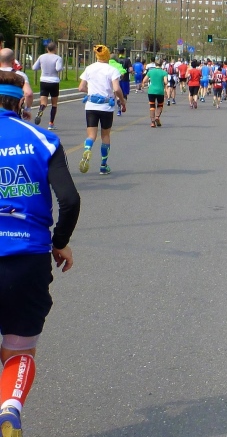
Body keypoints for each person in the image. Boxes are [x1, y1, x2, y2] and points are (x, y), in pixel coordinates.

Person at [0, 69, 80, 437]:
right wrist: (59, 241)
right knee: (19, 349)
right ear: (22, 102)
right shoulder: (42, 139)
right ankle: (10, 410)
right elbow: (70, 200)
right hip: (27, 259)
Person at [78, 45, 126, 175]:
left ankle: (87, 148)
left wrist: (91, 92)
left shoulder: (89, 68)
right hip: (106, 107)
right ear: (108, 55)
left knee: (91, 135)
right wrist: (122, 101)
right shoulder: (112, 70)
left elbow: (81, 87)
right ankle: (103, 166)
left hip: (91, 105)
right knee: (105, 135)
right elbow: (116, 89)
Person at [31, 41, 63, 130]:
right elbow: (58, 68)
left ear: (47, 49)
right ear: (55, 49)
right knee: (54, 104)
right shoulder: (58, 58)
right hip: (54, 82)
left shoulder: (41, 57)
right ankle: (51, 123)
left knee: (43, 103)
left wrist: (42, 67)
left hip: (43, 81)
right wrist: (62, 68)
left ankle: (40, 110)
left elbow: (34, 67)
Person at [0, 48, 33, 121]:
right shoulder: (20, 75)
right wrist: (26, 109)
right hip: (12, 113)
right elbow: (28, 93)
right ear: (13, 61)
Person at [142, 59, 167, 127]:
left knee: (152, 106)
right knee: (160, 105)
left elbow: (144, 80)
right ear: (161, 64)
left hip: (151, 91)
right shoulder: (164, 72)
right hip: (160, 91)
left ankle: (152, 122)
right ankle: (157, 117)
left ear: (155, 64)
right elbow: (166, 82)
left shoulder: (150, 72)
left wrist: (144, 84)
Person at [116, 48, 132, 113]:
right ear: (124, 52)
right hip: (125, 79)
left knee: (117, 94)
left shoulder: (116, 60)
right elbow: (130, 69)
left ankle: (119, 108)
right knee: (124, 94)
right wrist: (130, 71)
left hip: (117, 79)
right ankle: (123, 105)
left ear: (118, 52)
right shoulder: (127, 60)